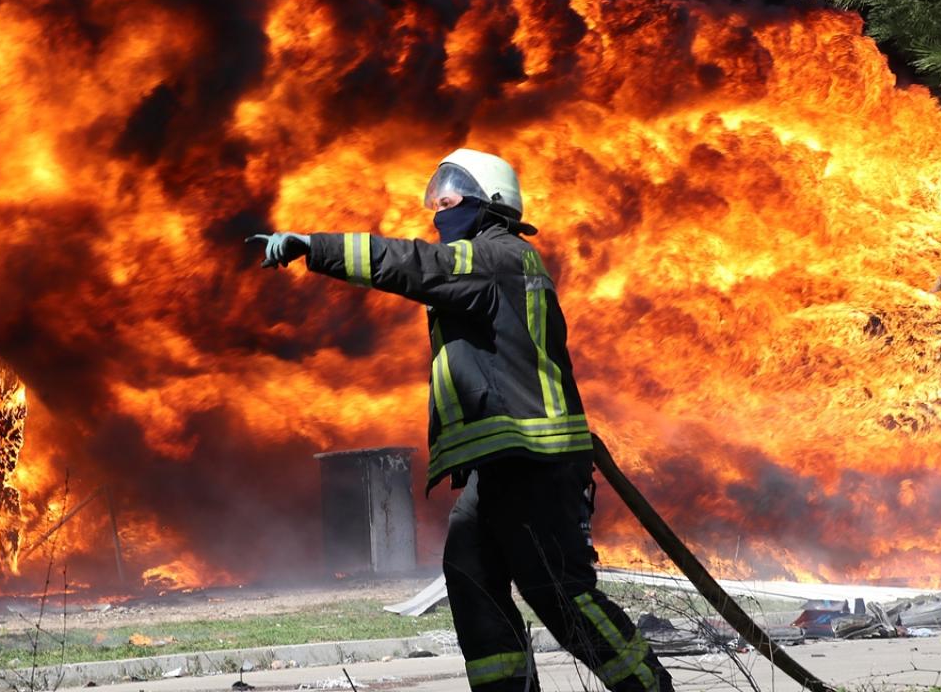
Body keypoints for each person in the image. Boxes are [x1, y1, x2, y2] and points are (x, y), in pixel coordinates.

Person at [248, 149, 673, 692]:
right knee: (472, 577)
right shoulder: (488, 265)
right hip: (501, 466)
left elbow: (415, 265)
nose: (439, 211)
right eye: (435, 202)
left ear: (490, 203)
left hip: (532, 458)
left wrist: (316, 248)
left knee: (556, 592)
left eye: (451, 199)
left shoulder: (497, 257)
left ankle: (647, 687)